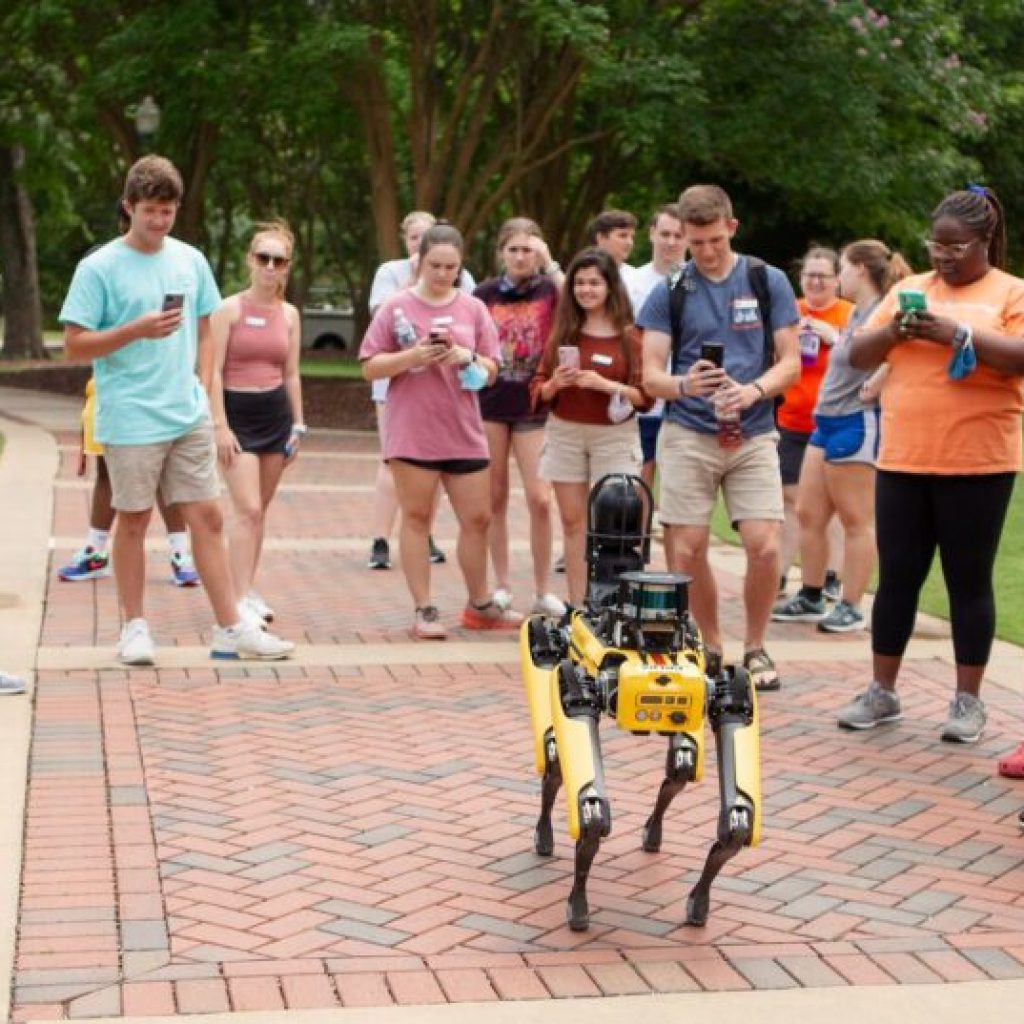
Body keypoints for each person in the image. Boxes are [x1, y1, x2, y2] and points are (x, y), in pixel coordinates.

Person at [59, 155, 294, 664]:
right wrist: (133, 331)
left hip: (184, 412)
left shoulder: (189, 260)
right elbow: (74, 345)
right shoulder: (98, 267)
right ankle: (134, 627)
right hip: (130, 414)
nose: (159, 221)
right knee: (136, 519)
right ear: (128, 207)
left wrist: (202, 387)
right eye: (149, 211)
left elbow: (207, 328)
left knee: (207, 517)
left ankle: (230, 626)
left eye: (168, 211)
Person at [835, 186, 1024, 744]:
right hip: (904, 459)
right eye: (935, 244)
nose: (941, 256)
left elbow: (1020, 358)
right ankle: (882, 691)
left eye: (954, 246)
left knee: (968, 582)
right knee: (898, 578)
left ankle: (968, 702)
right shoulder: (910, 289)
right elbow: (856, 354)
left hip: (978, 463)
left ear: (984, 240)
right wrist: (895, 331)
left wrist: (959, 334)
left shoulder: (1011, 292)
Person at [639, 184, 800, 692]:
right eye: (695, 242)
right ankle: (708, 644)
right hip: (689, 430)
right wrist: (685, 384)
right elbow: (650, 376)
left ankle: (755, 645)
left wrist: (754, 391)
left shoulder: (765, 279)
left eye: (714, 239)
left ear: (732, 227)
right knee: (685, 549)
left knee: (765, 545)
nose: (706, 251)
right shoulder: (671, 290)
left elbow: (791, 362)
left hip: (752, 431)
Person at [359, 222, 517, 639]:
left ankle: (480, 602)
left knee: (478, 517)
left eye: (451, 266)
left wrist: (467, 357)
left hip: (463, 428)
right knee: (417, 516)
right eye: (435, 265)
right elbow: (370, 365)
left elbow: (493, 369)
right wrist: (414, 355)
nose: (443, 274)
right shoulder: (396, 306)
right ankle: (424, 609)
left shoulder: (473, 308)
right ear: (420, 261)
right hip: (413, 430)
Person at [774, 241, 909, 633]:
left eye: (844, 268)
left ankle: (851, 603)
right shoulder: (857, 315)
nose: (839, 277)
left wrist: (880, 380)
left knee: (856, 519)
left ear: (861, 270)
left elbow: (905, 351)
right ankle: (812, 594)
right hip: (825, 421)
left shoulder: (883, 311)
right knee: (808, 513)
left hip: (856, 421)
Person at [531, 247, 652, 607]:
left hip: (614, 436)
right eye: (579, 283)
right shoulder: (564, 330)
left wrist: (605, 385)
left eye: (594, 282)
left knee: (616, 521)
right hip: (566, 432)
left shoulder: (630, 335)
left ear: (610, 287)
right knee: (573, 522)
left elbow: (646, 396)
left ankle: (615, 603)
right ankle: (579, 605)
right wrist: (555, 384)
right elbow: (537, 387)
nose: (586, 289)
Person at [365, 212, 475, 570]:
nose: (420, 243)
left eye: (425, 236)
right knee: (391, 460)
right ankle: (381, 537)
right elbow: (381, 319)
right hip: (397, 383)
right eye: (414, 238)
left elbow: (470, 320)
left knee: (437, 465)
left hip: (446, 387)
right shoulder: (390, 273)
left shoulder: (461, 277)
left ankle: (424, 532)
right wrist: (415, 280)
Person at [208, 220, 304, 625]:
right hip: (236, 416)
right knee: (246, 508)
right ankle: (236, 599)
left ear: (287, 267)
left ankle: (245, 589)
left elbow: (292, 373)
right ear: (250, 260)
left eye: (278, 260)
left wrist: (298, 425)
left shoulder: (290, 314)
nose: (269, 266)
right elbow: (211, 372)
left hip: (276, 418)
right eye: (263, 258)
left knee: (258, 512)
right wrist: (219, 426)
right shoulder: (229, 309)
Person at [474, 217, 565, 618]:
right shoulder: (484, 293)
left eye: (528, 249)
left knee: (540, 498)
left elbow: (578, 305)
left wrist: (551, 263)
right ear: (501, 253)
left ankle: (544, 588)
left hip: (534, 404)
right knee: (493, 497)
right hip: (491, 403)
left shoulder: (550, 290)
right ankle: (502, 584)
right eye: (513, 249)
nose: (520, 256)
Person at [58, 377, 200, 586]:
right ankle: (94, 552)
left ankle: (180, 554)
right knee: (106, 471)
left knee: (164, 473)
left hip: (156, 393)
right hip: (110, 395)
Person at [772, 247, 852, 613]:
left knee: (832, 505)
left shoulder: (848, 314)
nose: (816, 281)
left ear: (838, 279)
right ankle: (780, 573)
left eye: (823, 275)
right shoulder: (791, 311)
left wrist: (831, 335)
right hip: (792, 419)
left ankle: (831, 575)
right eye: (809, 275)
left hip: (834, 420)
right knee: (792, 503)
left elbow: (861, 357)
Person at [631, 204, 687, 489]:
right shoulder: (632, 281)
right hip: (644, 400)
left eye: (679, 235)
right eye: (665, 233)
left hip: (688, 402)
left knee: (682, 488)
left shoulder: (700, 283)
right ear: (652, 234)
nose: (671, 242)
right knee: (640, 479)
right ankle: (639, 534)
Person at [588, 209, 639, 305]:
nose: (629, 242)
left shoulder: (636, 276)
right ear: (601, 238)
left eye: (632, 237)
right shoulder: (583, 273)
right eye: (623, 236)